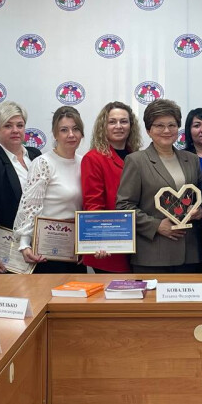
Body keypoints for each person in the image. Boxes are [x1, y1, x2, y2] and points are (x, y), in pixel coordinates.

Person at [116, 99, 202, 274]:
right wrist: (156, 225)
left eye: (172, 125)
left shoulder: (192, 159)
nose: (166, 130)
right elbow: (124, 206)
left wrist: (200, 211)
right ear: (149, 130)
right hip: (153, 256)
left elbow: (201, 198)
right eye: (159, 126)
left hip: (191, 254)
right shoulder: (136, 161)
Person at [13, 106, 86, 274]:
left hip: (76, 250)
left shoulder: (85, 162)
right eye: (64, 130)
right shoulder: (43, 163)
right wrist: (24, 243)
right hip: (47, 251)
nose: (71, 134)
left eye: (76, 129)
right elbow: (30, 206)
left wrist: (87, 244)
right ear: (55, 134)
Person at [0, 102, 42, 273]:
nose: (15, 130)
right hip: (10, 251)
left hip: (40, 245)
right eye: (8, 126)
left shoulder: (36, 156)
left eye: (20, 125)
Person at [81, 101, 142, 274]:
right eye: (112, 122)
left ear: (131, 125)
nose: (118, 126)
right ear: (103, 126)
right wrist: (99, 241)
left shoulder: (137, 156)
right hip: (110, 247)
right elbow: (93, 203)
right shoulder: (93, 158)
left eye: (124, 121)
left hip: (139, 244)